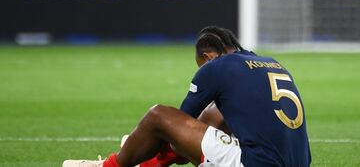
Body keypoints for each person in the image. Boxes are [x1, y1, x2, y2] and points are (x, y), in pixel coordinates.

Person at [63, 26, 311, 167]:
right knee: (216, 113)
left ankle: (109, 166)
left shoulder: (216, 66)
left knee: (158, 116)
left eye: (199, 65)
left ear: (209, 56)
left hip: (256, 164)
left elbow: (175, 133)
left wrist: (138, 143)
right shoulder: (269, 62)